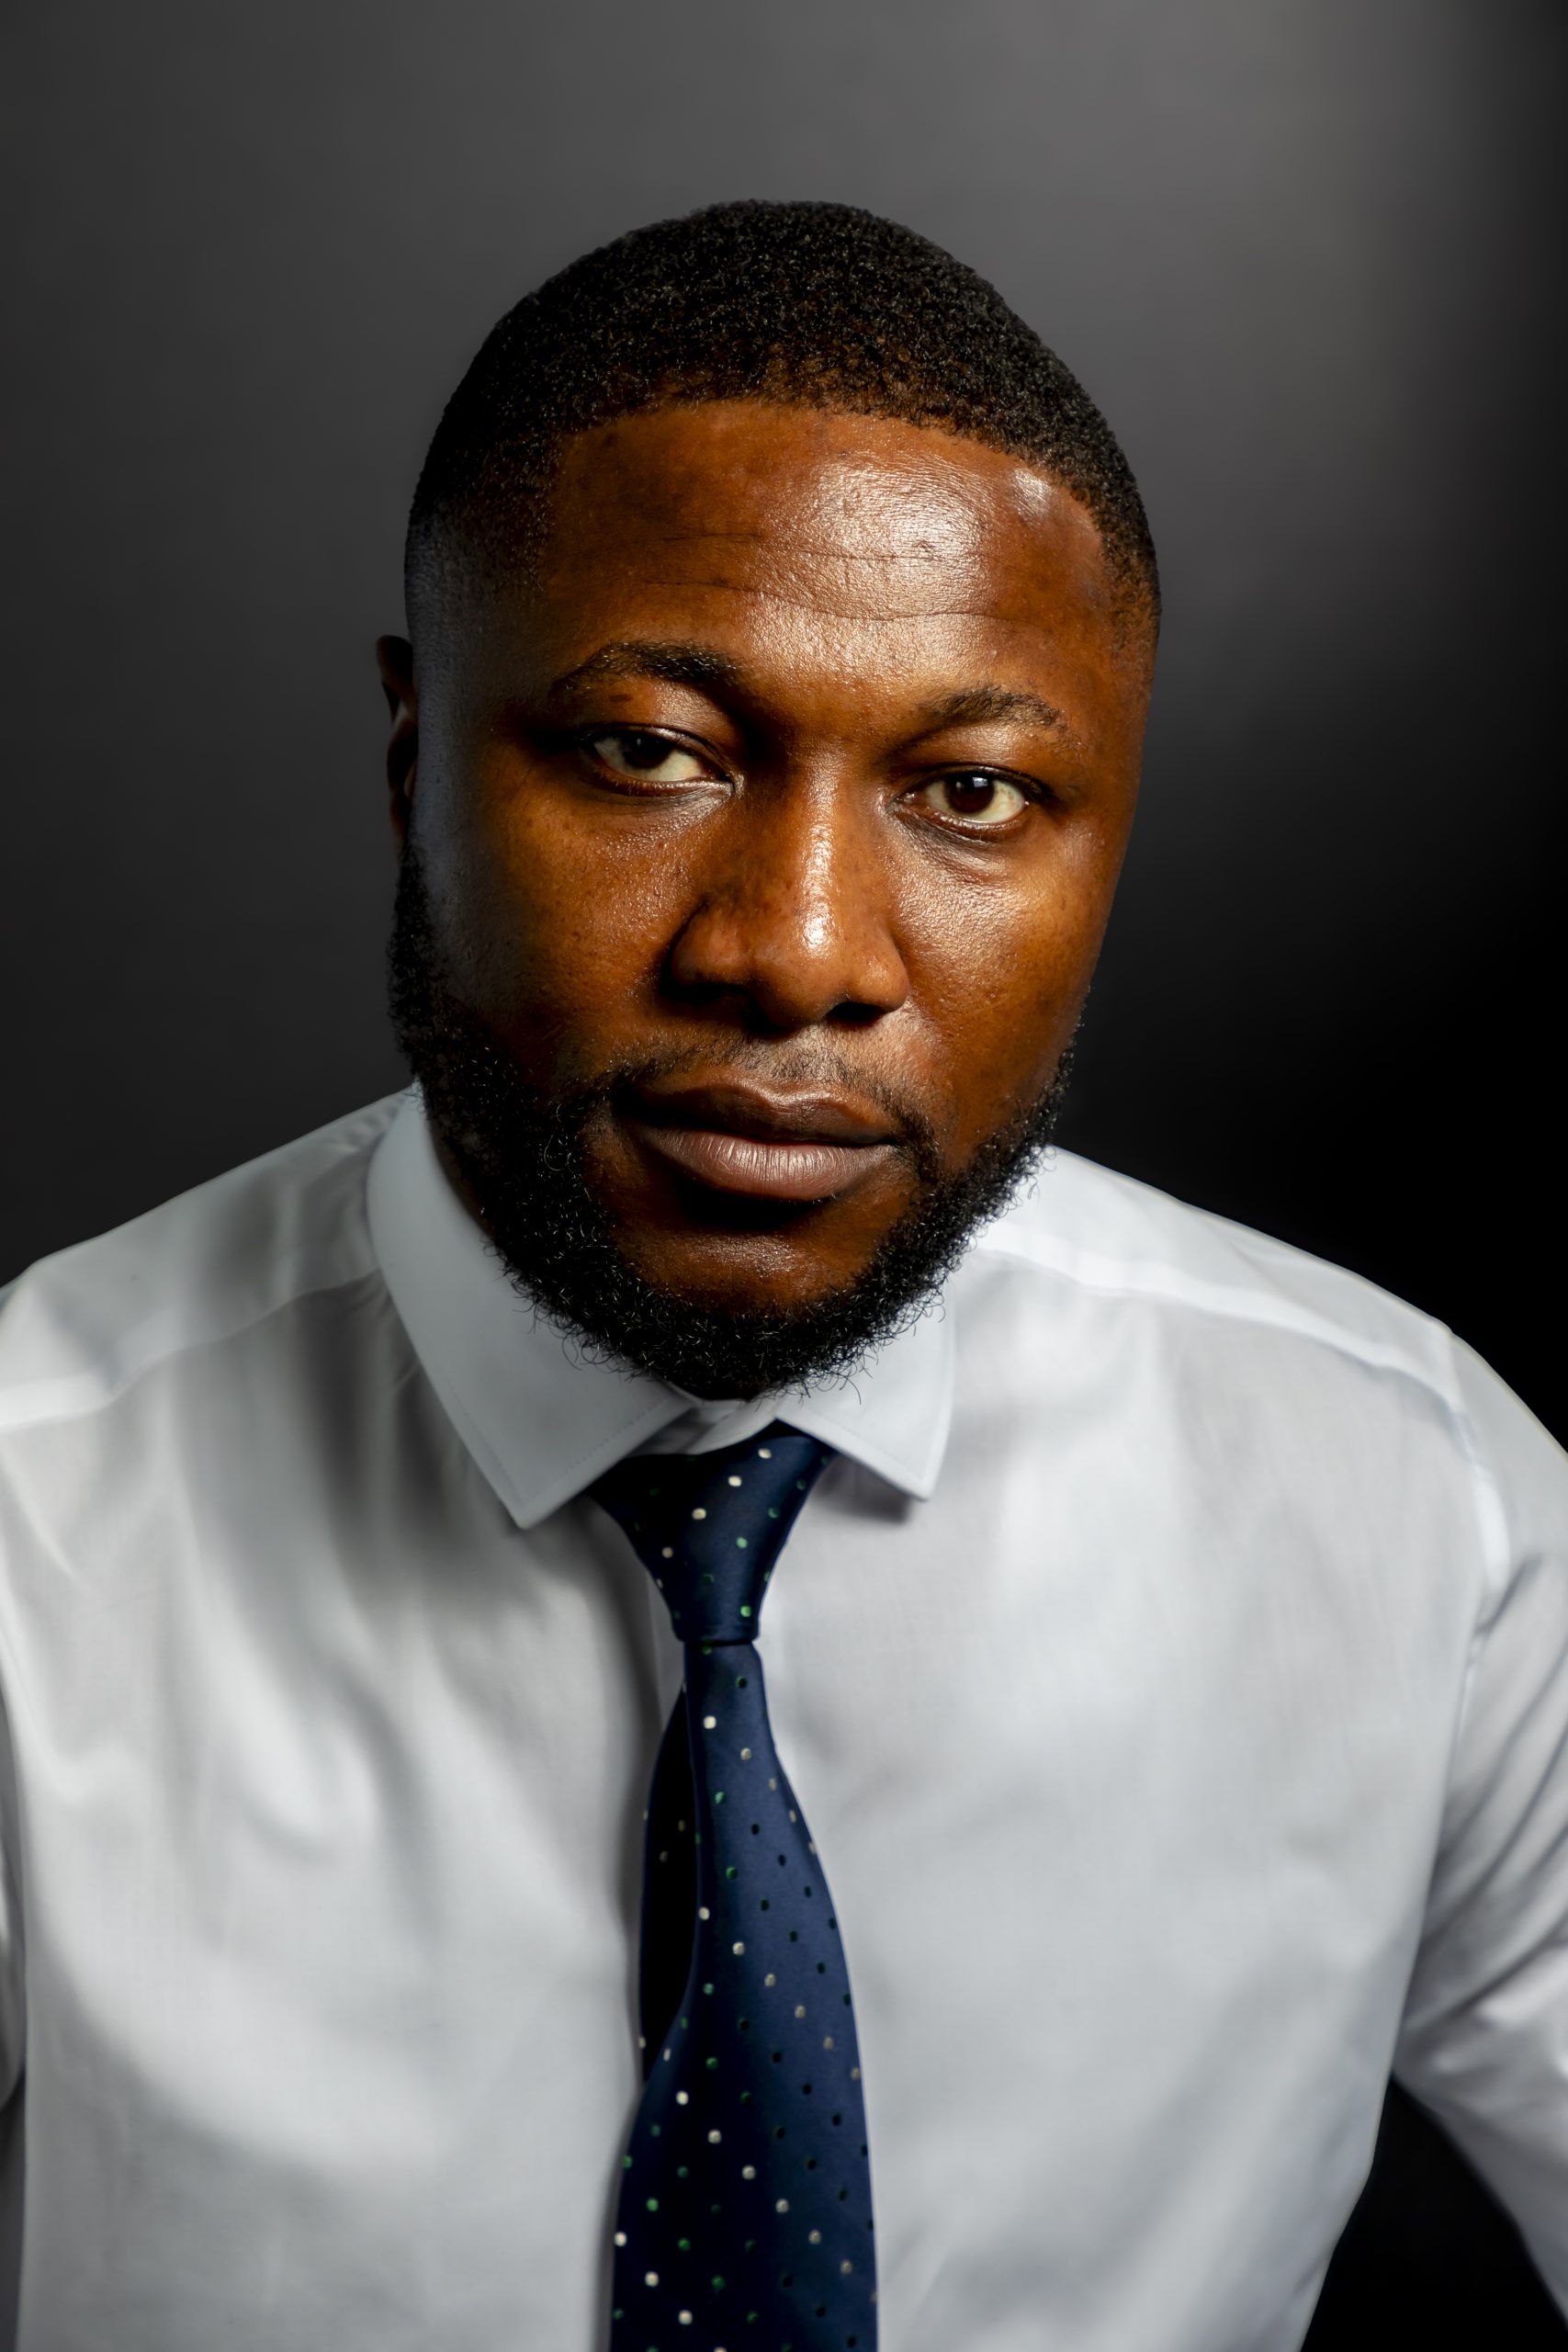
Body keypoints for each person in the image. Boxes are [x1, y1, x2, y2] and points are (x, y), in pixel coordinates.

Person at [0, 198, 1562, 2352]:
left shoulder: (1417, 1502)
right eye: (649, 751)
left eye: (971, 791)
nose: (798, 951)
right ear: (411, 766)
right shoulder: (29, 1518)